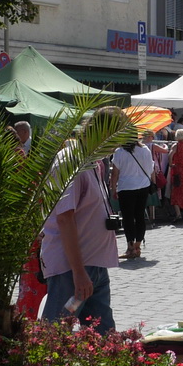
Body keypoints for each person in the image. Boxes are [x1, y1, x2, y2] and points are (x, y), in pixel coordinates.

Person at [41, 112, 121, 331]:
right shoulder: (71, 160)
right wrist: (78, 272)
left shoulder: (94, 162)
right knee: (55, 332)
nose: (117, 147)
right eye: (116, 139)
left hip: (95, 266)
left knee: (102, 333)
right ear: (102, 133)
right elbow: (65, 218)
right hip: (73, 269)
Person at [110, 130, 157, 261]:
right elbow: (151, 168)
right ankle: (137, 246)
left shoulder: (120, 152)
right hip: (143, 186)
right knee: (140, 216)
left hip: (126, 187)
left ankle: (130, 247)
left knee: (128, 218)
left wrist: (114, 188)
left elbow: (115, 173)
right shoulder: (145, 150)